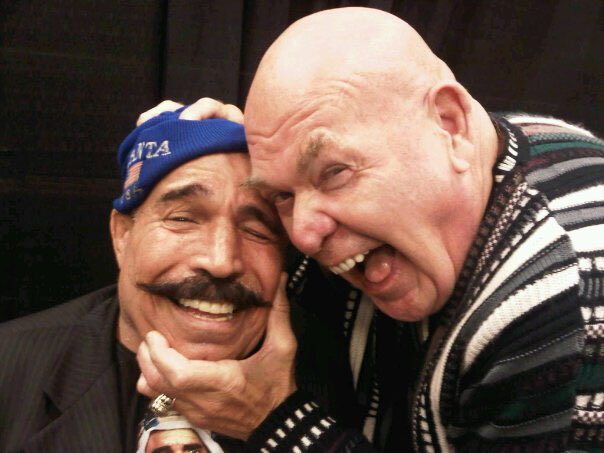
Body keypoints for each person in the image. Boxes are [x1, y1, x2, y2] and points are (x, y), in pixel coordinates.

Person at [136, 7, 604, 452]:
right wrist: (235, 157)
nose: (303, 237)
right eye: (283, 196)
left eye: (334, 172)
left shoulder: (563, 308)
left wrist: (272, 420)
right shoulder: (462, 149)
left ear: (450, 123)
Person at [0, 109, 359, 451]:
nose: (221, 261)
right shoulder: (10, 369)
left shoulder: (346, 379)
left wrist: (276, 418)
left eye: (257, 230)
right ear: (122, 235)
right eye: (183, 219)